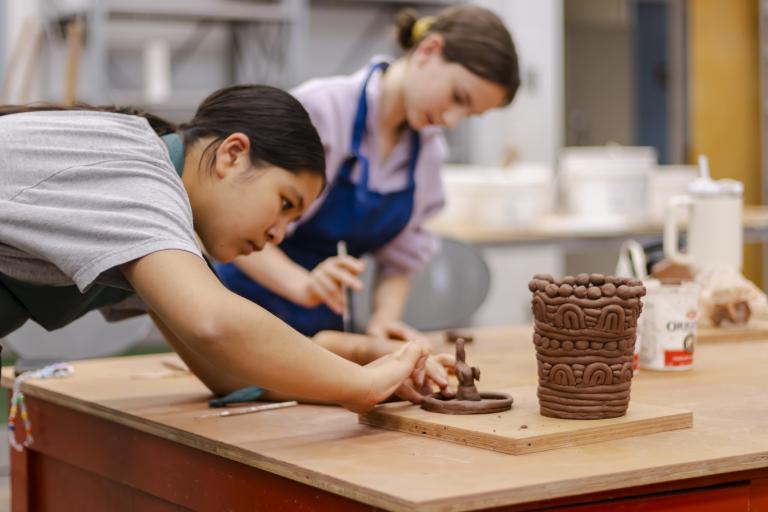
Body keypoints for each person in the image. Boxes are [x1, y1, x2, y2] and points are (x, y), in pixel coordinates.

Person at [0, 85, 443, 413]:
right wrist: (359, 386)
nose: (280, 235)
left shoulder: (158, 228)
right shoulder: (139, 173)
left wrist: (360, 357)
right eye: (285, 203)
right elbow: (216, 324)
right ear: (232, 155)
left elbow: (229, 374)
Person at [214, 5, 520, 341]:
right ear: (429, 50)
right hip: (239, 309)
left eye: (468, 114)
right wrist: (302, 285)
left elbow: (399, 260)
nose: (451, 120)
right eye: (457, 97)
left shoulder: (429, 155)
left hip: (321, 329)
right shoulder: (321, 110)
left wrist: (383, 322)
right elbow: (232, 222)